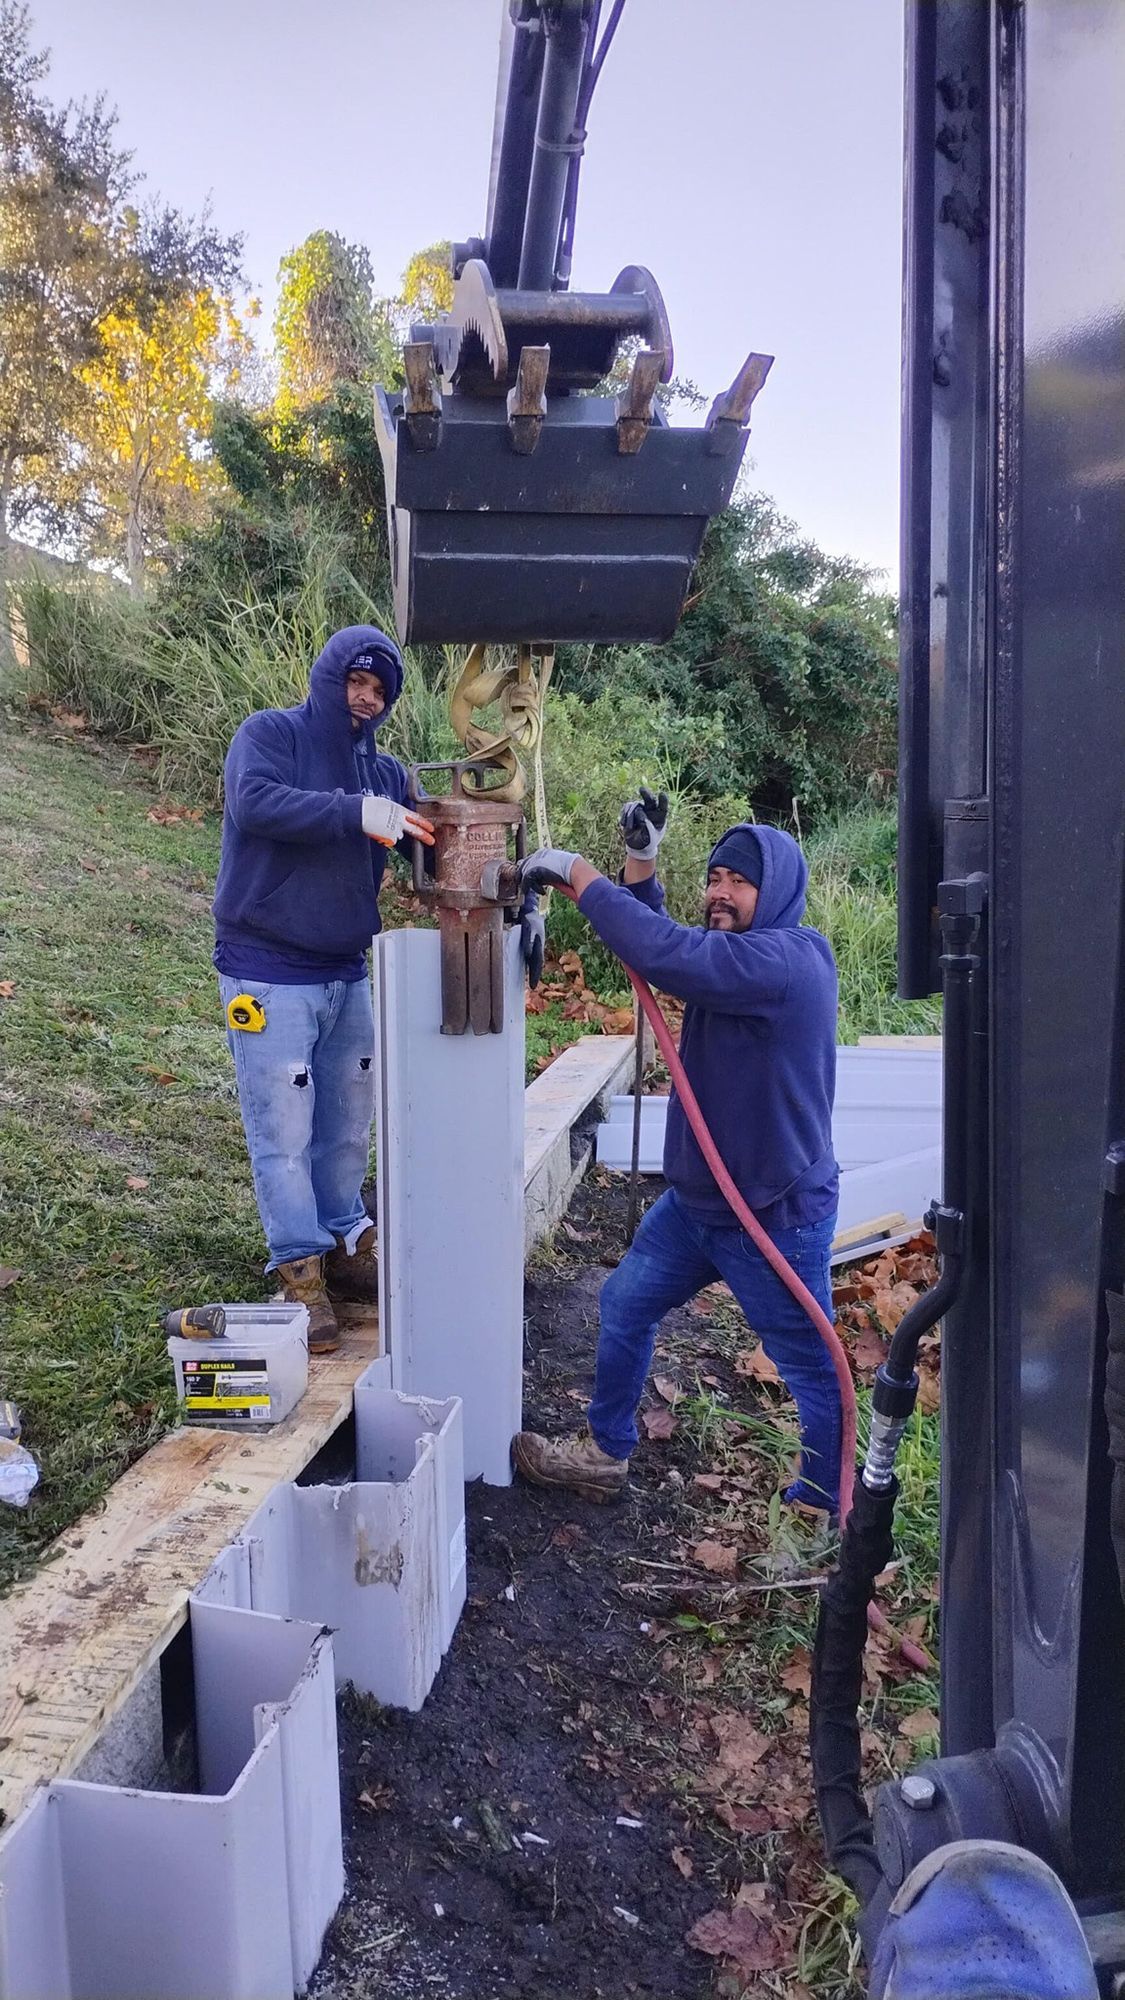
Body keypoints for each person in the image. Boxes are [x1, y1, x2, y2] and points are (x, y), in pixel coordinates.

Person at [512, 792, 842, 1512]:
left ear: (776, 890)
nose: (720, 894)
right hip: (699, 1203)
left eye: (739, 883)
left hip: (769, 1212)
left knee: (813, 1369)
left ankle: (825, 1505)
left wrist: (575, 871)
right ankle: (603, 1454)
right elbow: (666, 940)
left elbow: (664, 952)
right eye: (714, 879)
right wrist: (641, 859)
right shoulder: (736, 955)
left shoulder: (787, 962)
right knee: (625, 1303)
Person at [212, 623, 434, 1354]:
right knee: (282, 1131)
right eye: (356, 682)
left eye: (379, 690)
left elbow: (429, 838)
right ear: (328, 677)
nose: (365, 699)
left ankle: (345, 1248)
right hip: (268, 970)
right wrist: (352, 811)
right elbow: (256, 804)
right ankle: (298, 1272)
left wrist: (457, 829)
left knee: (345, 1128)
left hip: (346, 969)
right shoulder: (270, 735)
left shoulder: (387, 774)